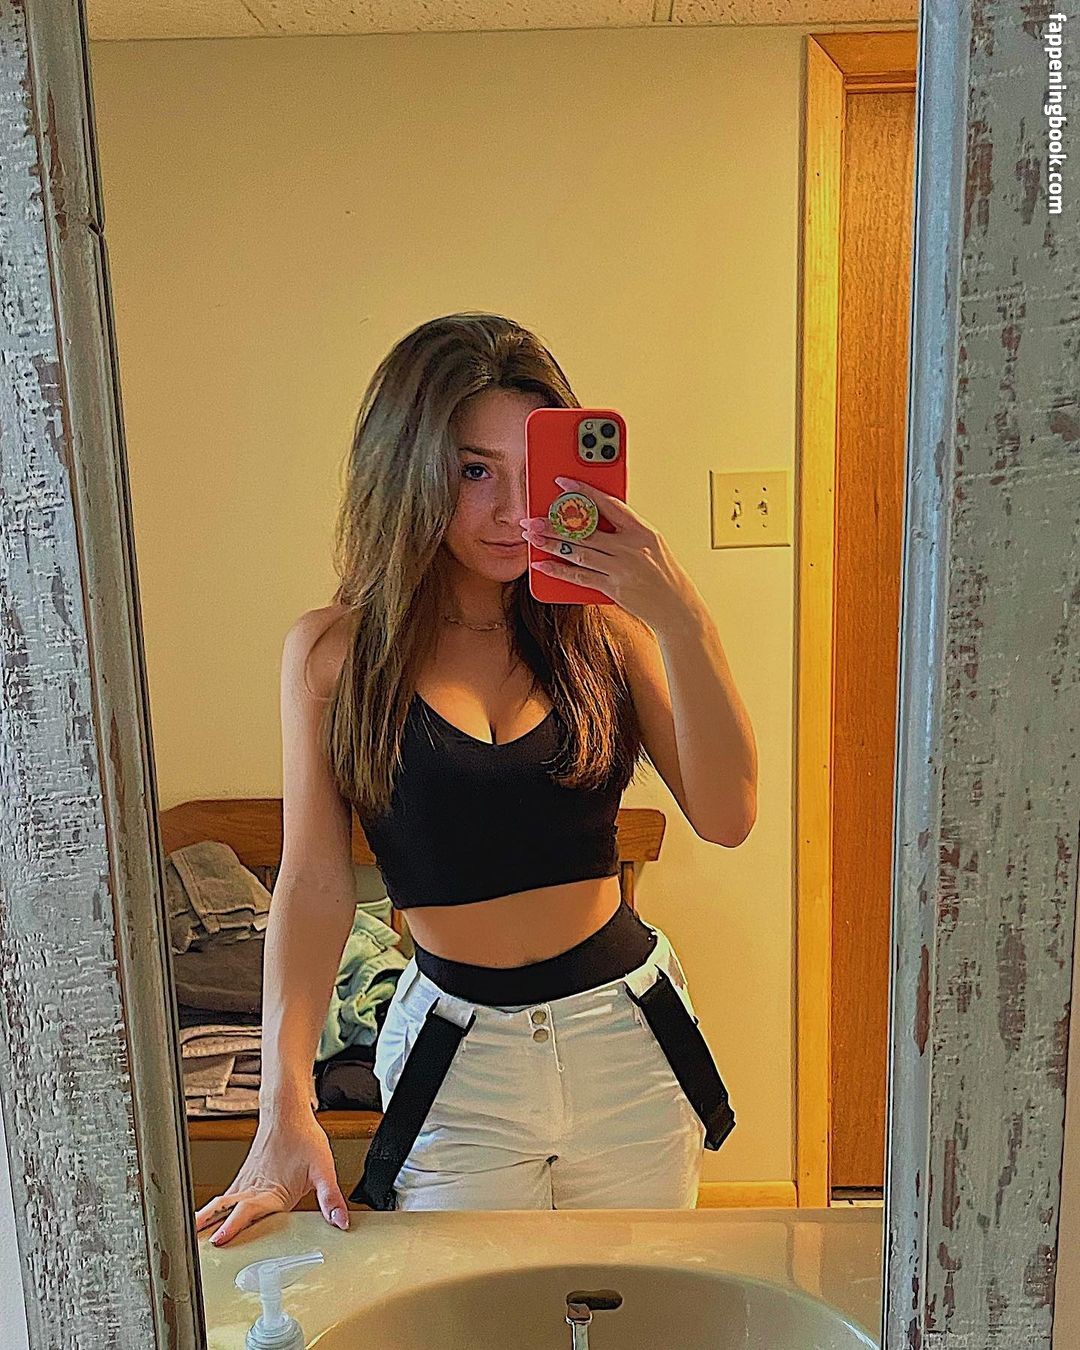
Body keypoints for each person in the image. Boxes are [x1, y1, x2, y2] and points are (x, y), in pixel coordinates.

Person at [195, 312, 757, 1244]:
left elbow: (729, 814)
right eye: (474, 471)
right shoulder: (337, 655)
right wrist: (282, 1103)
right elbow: (315, 880)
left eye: (535, 470)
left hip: (625, 1036)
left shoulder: (604, 634)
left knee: (636, 1302)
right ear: (407, 469)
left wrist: (681, 617)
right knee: (467, 1307)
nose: (512, 510)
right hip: (457, 1057)